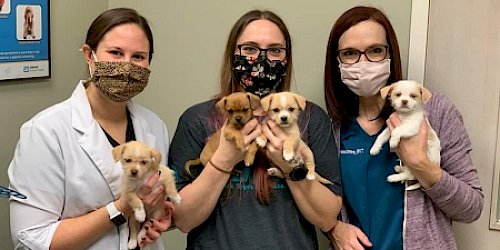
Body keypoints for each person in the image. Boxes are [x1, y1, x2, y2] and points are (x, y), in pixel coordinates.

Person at [168, 9, 342, 250]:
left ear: (286, 58)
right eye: (249, 49)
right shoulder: (197, 119)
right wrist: (223, 161)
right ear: (233, 55)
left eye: (274, 50)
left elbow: (328, 217)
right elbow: (181, 219)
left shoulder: (311, 119)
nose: (261, 59)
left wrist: (290, 166)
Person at [8, 8, 174, 250]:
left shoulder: (153, 126)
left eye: (138, 57)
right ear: (89, 55)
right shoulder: (45, 131)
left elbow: (150, 205)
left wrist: (159, 217)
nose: (126, 66)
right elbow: (31, 239)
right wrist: (120, 210)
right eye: (115, 53)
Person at [323, 6, 484, 250]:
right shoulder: (332, 131)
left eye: (376, 51)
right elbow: (326, 204)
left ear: (391, 55)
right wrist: (334, 229)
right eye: (349, 53)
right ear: (337, 62)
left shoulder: (437, 112)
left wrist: (421, 164)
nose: (363, 62)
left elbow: (471, 208)